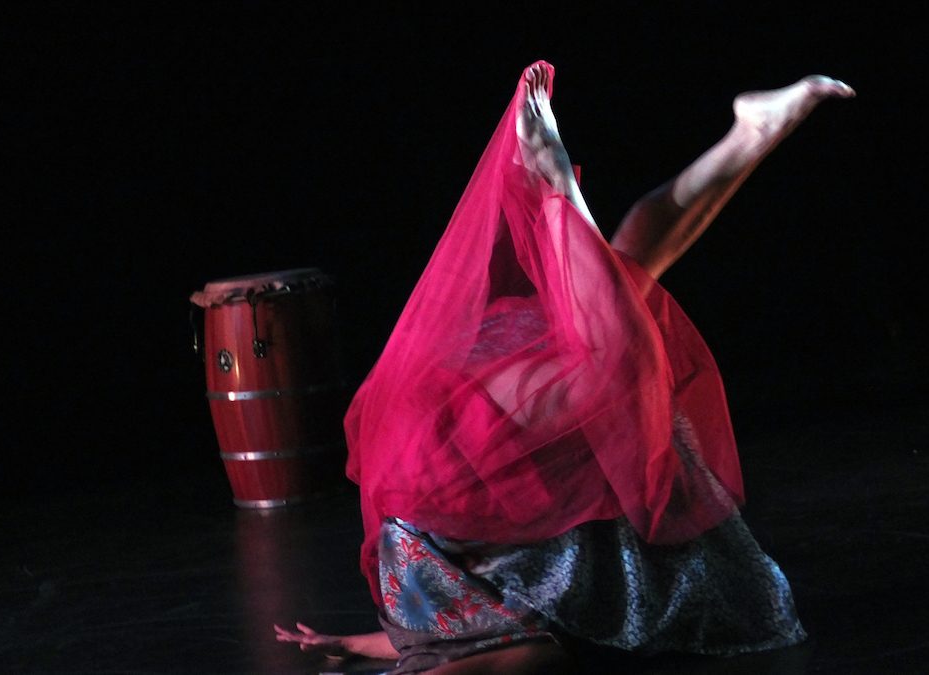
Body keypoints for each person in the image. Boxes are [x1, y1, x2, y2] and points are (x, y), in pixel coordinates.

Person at [276, 61, 854, 674]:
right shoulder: (426, 623)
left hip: (445, 477)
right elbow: (464, 642)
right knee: (621, 283)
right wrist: (362, 645)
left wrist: (390, 651)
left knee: (610, 364)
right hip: (425, 452)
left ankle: (556, 185)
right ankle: (752, 133)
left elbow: (512, 650)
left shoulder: (446, 631)